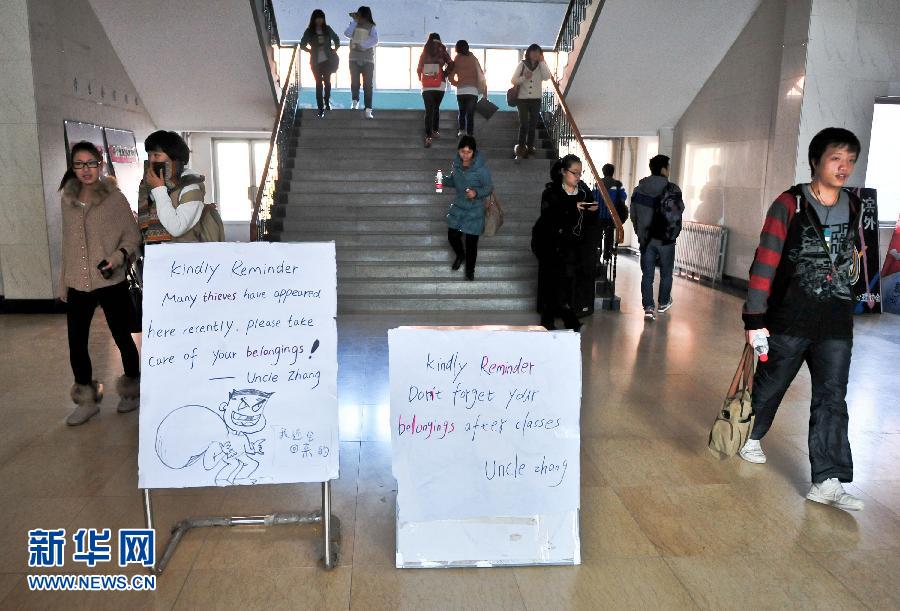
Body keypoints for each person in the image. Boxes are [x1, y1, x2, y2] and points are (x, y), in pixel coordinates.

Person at [739, 128, 865, 512]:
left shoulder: (854, 205)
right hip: (790, 317)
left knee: (832, 398)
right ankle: (749, 434)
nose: (843, 167)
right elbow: (766, 259)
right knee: (773, 381)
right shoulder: (789, 203)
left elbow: (853, 256)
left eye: (850, 161)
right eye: (835, 159)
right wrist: (754, 318)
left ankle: (828, 480)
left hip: (835, 321)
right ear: (815, 161)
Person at [58, 142, 142, 425]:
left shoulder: (114, 198)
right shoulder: (67, 200)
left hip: (110, 280)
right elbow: (68, 244)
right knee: (76, 343)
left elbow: (132, 237)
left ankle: (132, 390)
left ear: (101, 164)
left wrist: (117, 258)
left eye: (91, 163)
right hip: (78, 282)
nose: (86, 170)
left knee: (122, 337)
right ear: (73, 167)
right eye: (79, 164)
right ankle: (86, 399)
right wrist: (63, 282)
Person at [532, 154, 598, 330]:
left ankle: (564, 322)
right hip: (549, 245)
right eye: (574, 173)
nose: (577, 177)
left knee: (564, 284)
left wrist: (591, 210)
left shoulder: (583, 192)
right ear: (563, 171)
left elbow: (589, 221)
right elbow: (549, 216)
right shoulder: (551, 192)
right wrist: (572, 207)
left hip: (571, 247)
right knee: (550, 283)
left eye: (580, 173)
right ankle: (559, 323)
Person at [630, 154, 683, 320]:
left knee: (647, 275)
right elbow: (678, 215)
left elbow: (633, 214)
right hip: (667, 240)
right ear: (663, 169)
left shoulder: (639, 189)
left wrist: (640, 233)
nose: (668, 170)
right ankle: (663, 302)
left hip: (647, 239)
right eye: (667, 167)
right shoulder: (673, 189)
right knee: (667, 274)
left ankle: (648, 307)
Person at [138, 130, 208, 244]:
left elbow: (177, 228)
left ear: (174, 158)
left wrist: (159, 189)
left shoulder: (191, 187)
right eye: (149, 155)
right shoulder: (148, 183)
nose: (151, 160)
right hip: (155, 256)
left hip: (181, 258)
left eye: (156, 155)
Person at [443, 136, 493, 281]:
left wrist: (476, 193)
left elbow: (489, 187)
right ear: (458, 151)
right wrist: (443, 180)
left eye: (468, 152)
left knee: (471, 242)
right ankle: (460, 254)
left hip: (475, 208)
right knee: (452, 235)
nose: (465, 155)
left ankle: (470, 270)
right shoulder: (456, 164)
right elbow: (454, 181)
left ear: (474, 152)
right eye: (462, 151)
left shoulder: (480, 168)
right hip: (459, 206)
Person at [511, 44, 551, 161]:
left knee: (532, 126)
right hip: (522, 99)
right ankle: (520, 150)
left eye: (537, 52)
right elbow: (513, 80)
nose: (535, 54)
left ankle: (530, 150)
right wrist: (524, 77)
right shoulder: (522, 64)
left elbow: (547, 76)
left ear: (540, 54)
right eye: (533, 52)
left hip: (536, 99)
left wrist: (543, 62)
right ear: (528, 53)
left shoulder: (541, 65)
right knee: (524, 124)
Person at [299, 9, 340, 118]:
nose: (319, 20)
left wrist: (334, 49)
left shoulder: (327, 29)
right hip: (315, 61)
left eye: (321, 18)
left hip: (327, 60)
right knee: (318, 83)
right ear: (314, 19)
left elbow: (337, 39)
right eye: (317, 18)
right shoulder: (309, 31)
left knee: (327, 82)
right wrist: (310, 50)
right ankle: (320, 108)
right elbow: (302, 44)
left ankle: (327, 102)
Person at [417, 32, 453, 148]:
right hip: (440, 84)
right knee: (436, 107)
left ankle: (428, 137)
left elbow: (419, 68)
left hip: (427, 85)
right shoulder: (442, 50)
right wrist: (444, 74)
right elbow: (451, 64)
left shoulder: (425, 51)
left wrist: (421, 78)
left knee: (429, 110)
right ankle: (435, 130)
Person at [447, 40, 486, 137]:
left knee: (462, 112)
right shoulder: (474, 59)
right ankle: (470, 133)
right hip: (472, 91)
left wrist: (456, 83)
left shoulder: (457, 59)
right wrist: (482, 89)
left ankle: (461, 130)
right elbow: (481, 75)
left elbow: (451, 76)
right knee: (470, 114)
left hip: (461, 91)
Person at [344, 6, 378, 119]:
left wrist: (363, 46)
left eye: (361, 15)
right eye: (358, 15)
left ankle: (368, 108)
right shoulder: (354, 24)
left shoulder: (372, 27)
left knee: (368, 84)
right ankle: (355, 101)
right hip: (353, 57)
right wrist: (354, 21)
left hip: (367, 59)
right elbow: (347, 34)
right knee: (355, 82)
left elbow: (375, 40)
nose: (360, 17)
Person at [596, 163, 628, 262]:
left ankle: (597, 256)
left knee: (598, 236)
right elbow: (623, 197)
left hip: (599, 215)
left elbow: (594, 197)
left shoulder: (598, 183)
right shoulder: (617, 184)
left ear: (603, 172)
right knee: (609, 236)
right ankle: (607, 255)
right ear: (612, 172)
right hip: (611, 216)